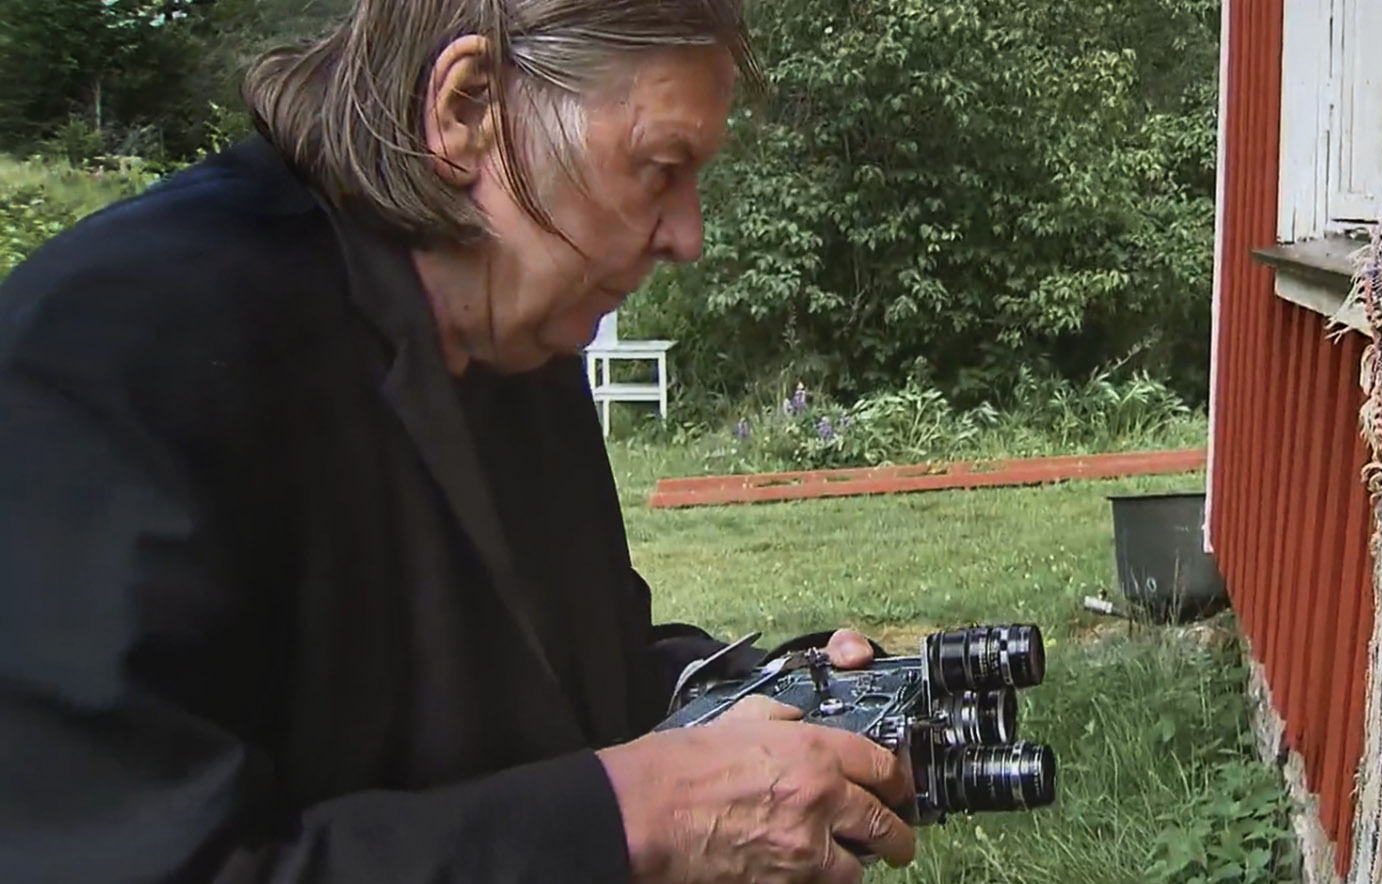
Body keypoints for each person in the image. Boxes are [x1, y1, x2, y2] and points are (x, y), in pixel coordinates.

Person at [0, 1, 918, 882]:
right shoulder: (112, 350)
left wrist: (772, 702)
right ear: (468, 106)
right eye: (660, 166)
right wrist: (633, 823)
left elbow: (562, 698)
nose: (689, 235)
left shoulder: (519, 340)